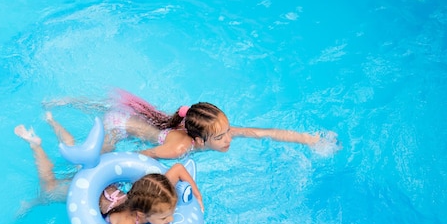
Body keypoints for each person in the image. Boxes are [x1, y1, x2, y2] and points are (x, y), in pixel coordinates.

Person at [14, 118, 204, 224]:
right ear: (142, 213)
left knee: (84, 159)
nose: (170, 220)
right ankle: (35, 145)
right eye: (164, 218)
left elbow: (178, 168)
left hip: (107, 186)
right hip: (90, 195)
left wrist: (198, 195)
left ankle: (52, 122)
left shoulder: (159, 196)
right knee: (49, 189)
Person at [44, 88, 340, 159]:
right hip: (118, 126)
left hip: (139, 122)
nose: (229, 139)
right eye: (221, 138)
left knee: (102, 107)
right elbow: (136, 157)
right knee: (95, 158)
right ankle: (61, 110)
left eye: (227, 132)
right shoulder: (178, 148)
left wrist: (309, 140)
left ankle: (70, 100)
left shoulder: (210, 131)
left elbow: (261, 132)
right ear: (198, 141)